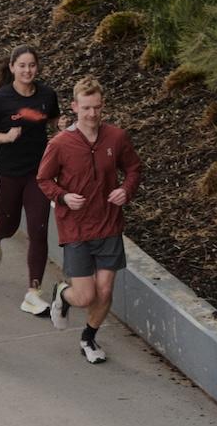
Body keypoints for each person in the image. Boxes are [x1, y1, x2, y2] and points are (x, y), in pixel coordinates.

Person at [36, 76, 141, 364]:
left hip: (108, 224)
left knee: (105, 291)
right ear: (74, 107)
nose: (92, 114)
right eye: (86, 108)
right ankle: (62, 293)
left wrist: (125, 190)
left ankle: (88, 337)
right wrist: (63, 197)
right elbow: (43, 179)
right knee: (85, 297)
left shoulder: (116, 138)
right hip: (76, 227)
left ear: (102, 105)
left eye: (96, 107)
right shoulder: (60, 144)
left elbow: (133, 169)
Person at [0, 45, 62, 316]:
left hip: (38, 173)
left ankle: (33, 292)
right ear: (12, 67)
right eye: (22, 65)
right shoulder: (1, 99)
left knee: (38, 229)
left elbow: (54, 120)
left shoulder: (47, 95)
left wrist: (62, 126)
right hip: (7, 172)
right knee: (10, 226)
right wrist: (6, 137)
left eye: (32, 65)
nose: (27, 70)